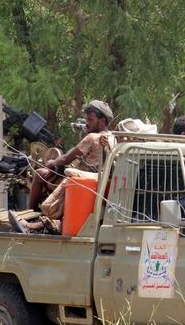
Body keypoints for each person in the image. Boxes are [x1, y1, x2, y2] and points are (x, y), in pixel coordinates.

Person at [14, 100, 115, 233]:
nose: (87, 123)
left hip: (83, 181)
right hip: (97, 182)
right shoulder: (113, 138)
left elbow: (67, 158)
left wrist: (52, 163)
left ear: (102, 121)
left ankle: (31, 216)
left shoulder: (92, 137)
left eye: (90, 119)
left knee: (39, 173)